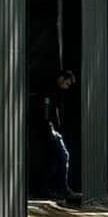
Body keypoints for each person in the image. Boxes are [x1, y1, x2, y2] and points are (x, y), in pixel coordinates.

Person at [42, 69, 79, 202]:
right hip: (51, 131)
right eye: (67, 83)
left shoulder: (55, 92)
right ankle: (61, 189)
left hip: (53, 130)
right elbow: (46, 113)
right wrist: (50, 128)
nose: (67, 87)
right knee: (63, 156)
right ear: (61, 79)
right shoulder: (49, 92)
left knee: (54, 160)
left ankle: (52, 188)